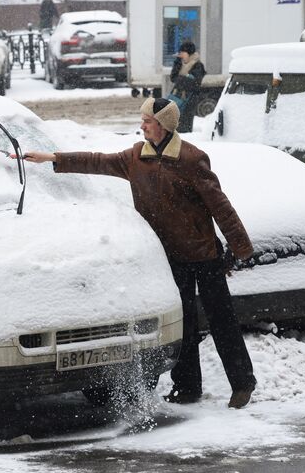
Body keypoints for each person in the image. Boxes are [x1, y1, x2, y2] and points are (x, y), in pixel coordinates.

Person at [21, 97, 257, 409]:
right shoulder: (136, 157)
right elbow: (97, 160)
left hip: (203, 255)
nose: (142, 124)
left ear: (163, 125)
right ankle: (187, 387)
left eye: (147, 120)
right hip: (169, 257)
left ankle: (243, 383)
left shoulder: (191, 159)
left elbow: (221, 207)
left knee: (221, 320)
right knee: (182, 323)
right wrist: (53, 158)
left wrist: (241, 249)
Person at [168, 41, 206, 133]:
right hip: (178, 98)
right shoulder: (181, 64)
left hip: (190, 99)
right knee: (176, 123)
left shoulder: (198, 65)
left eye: (182, 53)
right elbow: (173, 78)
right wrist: (177, 63)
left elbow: (195, 83)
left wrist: (181, 79)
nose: (180, 55)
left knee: (185, 125)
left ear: (189, 53)